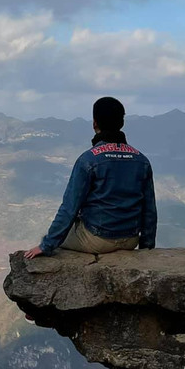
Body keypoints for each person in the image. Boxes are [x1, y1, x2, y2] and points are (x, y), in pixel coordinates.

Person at [24, 96, 157, 259]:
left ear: (95, 123)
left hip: (98, 239)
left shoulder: (89, 160)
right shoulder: (141, 160)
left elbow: (69, 208)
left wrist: (46, 245)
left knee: (55, 239)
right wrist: (146, 248)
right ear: (121, 123)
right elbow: (149, 209)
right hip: (130, 239)